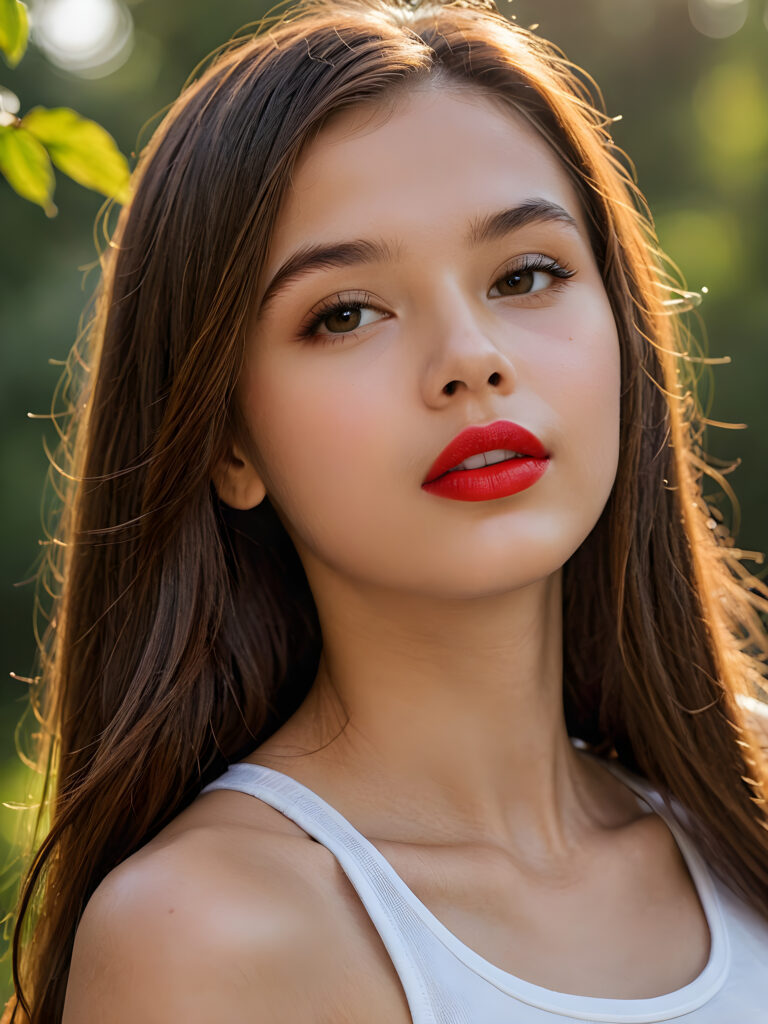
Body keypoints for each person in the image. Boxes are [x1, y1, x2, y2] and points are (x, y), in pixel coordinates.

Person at [4, 0, 768, 1020]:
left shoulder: (751, 811)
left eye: (525, 274)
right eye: (345, 313)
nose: (470, 359)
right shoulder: (206, 936)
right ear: (227, 443)